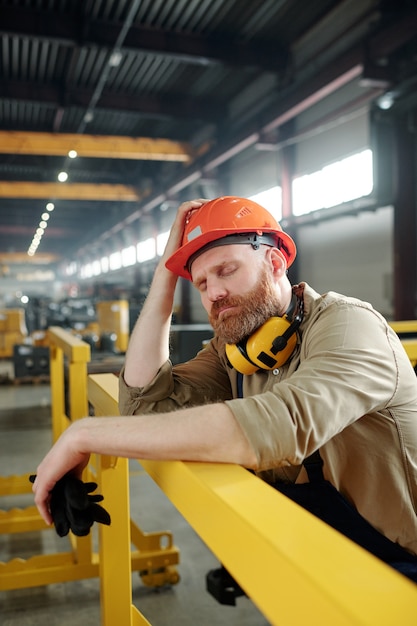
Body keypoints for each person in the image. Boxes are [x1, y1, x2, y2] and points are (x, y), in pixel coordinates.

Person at [32, 196, 417, 581]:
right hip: (320, 562)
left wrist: (85, 434)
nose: (213, 293)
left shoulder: (349, 326)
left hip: (401, 570)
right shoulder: (235, 349)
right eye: (201, 283)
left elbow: (280, 425)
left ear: (276, 262)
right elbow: (144, 403)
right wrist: (165, 278)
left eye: (226, 270)